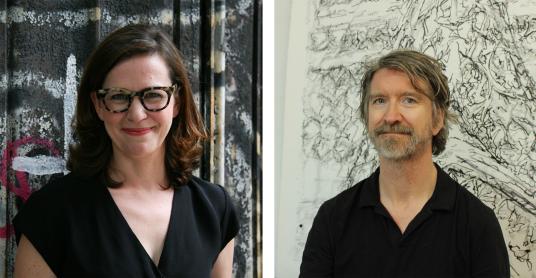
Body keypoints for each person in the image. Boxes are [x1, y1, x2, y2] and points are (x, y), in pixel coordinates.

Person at [13, 24, 238, 277]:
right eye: (119, 97)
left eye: (153, 95)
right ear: (98, 105)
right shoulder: (51, 214)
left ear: (177, 102)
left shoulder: (214, 209)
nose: (137, 114)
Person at [299, 50, 510, 278]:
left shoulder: (477, 225)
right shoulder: (333, 219)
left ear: (437, 119)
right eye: (379, 100)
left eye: (409, 100)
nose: (391, 116)